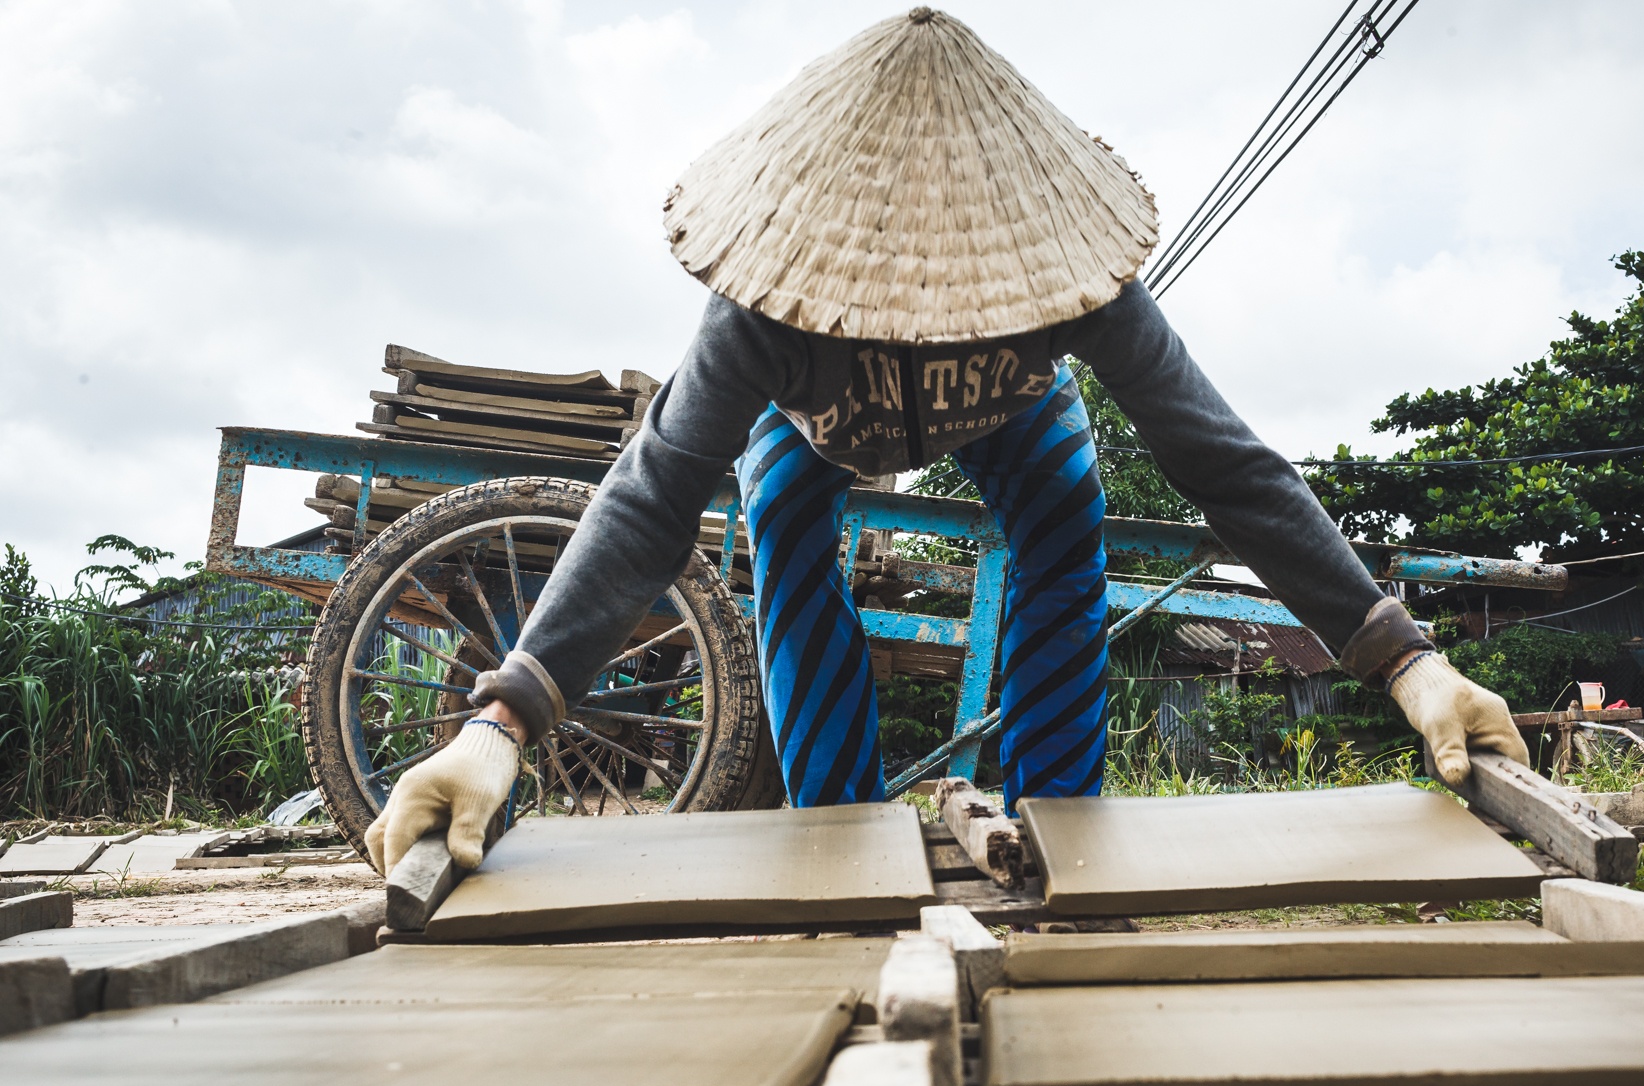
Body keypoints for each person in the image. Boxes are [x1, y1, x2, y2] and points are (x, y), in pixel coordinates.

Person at [365, 7, 1526, 874]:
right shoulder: (764, 316)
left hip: (1011, 418)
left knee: (1065, 526)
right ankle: (838, 837)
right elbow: (651, 494)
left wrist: (1406, 659)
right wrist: (502, 720)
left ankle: (1060, 827)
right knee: (782, 527)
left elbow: (1222, 461)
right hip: (812, 428)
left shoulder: (1069, 283)